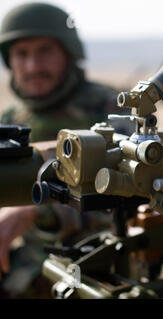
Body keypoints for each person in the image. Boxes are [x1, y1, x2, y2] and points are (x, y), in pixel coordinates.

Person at [0, 3, 127, 298]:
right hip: (28, 263)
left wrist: (30, 207)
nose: (32, 66)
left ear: (68, 54)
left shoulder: (110, 110)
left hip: (97, 262)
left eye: (45, 50)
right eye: (22, 54)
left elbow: (128, 190)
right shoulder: (11, 119)